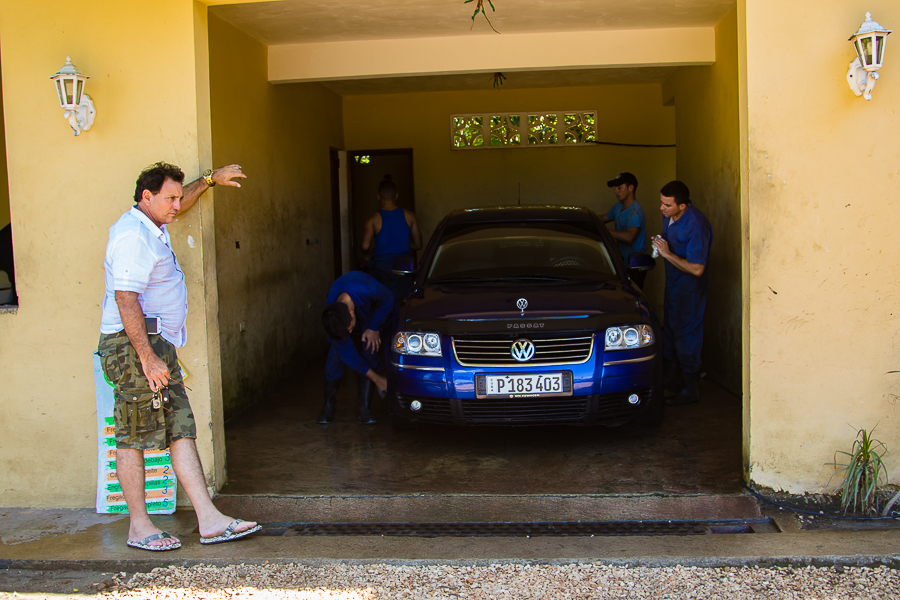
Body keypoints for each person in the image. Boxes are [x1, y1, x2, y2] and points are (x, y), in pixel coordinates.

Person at [98, 162, 259, 551]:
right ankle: (139, 526)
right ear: (146, 197)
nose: (176, 204)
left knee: (181, 429)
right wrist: (148, 357)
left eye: (176, 196)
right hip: (134, 347)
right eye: (169, 198)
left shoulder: (152, 224)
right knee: (132, 436)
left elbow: (180, 203)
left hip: (158, 347)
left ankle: (209, 519)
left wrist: (208, 180)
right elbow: (125, 299)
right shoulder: (132, 236)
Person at [651, 180, 713, 406]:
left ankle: (690, 388)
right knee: (670, 332)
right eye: (661, 203)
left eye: (667, 205)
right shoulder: (669, 216)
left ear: (682, 206)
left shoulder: (696, 225)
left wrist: (666, 255)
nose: (662, 208)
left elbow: (697, 268)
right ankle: (672, 381)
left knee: (687, 335)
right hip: (673, 286)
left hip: (689, 290)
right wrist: (660, 243)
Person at [319, 271, 393, 425]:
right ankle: (328, 406)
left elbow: (388, 299)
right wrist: (378, 379)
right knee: (335, 355)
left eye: (350, 329)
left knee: (371, 347)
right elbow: (349, 354)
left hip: (369, 309)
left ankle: (364, 408)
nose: (351, 333)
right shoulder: (332, 314)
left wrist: (373, 327)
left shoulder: (369, 289)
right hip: (352, 306)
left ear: (352, 314)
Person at [360, 176, 422, 308]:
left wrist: (371, 251)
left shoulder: (372, 219)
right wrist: (403, 243)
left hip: (382, 270)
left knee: (383, 306)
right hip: (403, 269)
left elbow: (364, 246)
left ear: (378, 196)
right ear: (396, 195)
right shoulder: (409, 216)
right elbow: (418, 245)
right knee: (403, 306)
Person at [600, 172, 648, 288]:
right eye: (615, 188)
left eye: (619, 188)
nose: (615, 191)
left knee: (633, 296)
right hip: (623, 262)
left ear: (631, 188)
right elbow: (602, 218)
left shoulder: (635, 212)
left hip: (635, 265)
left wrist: (605, 231)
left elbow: (629, 237)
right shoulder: (618, 207)